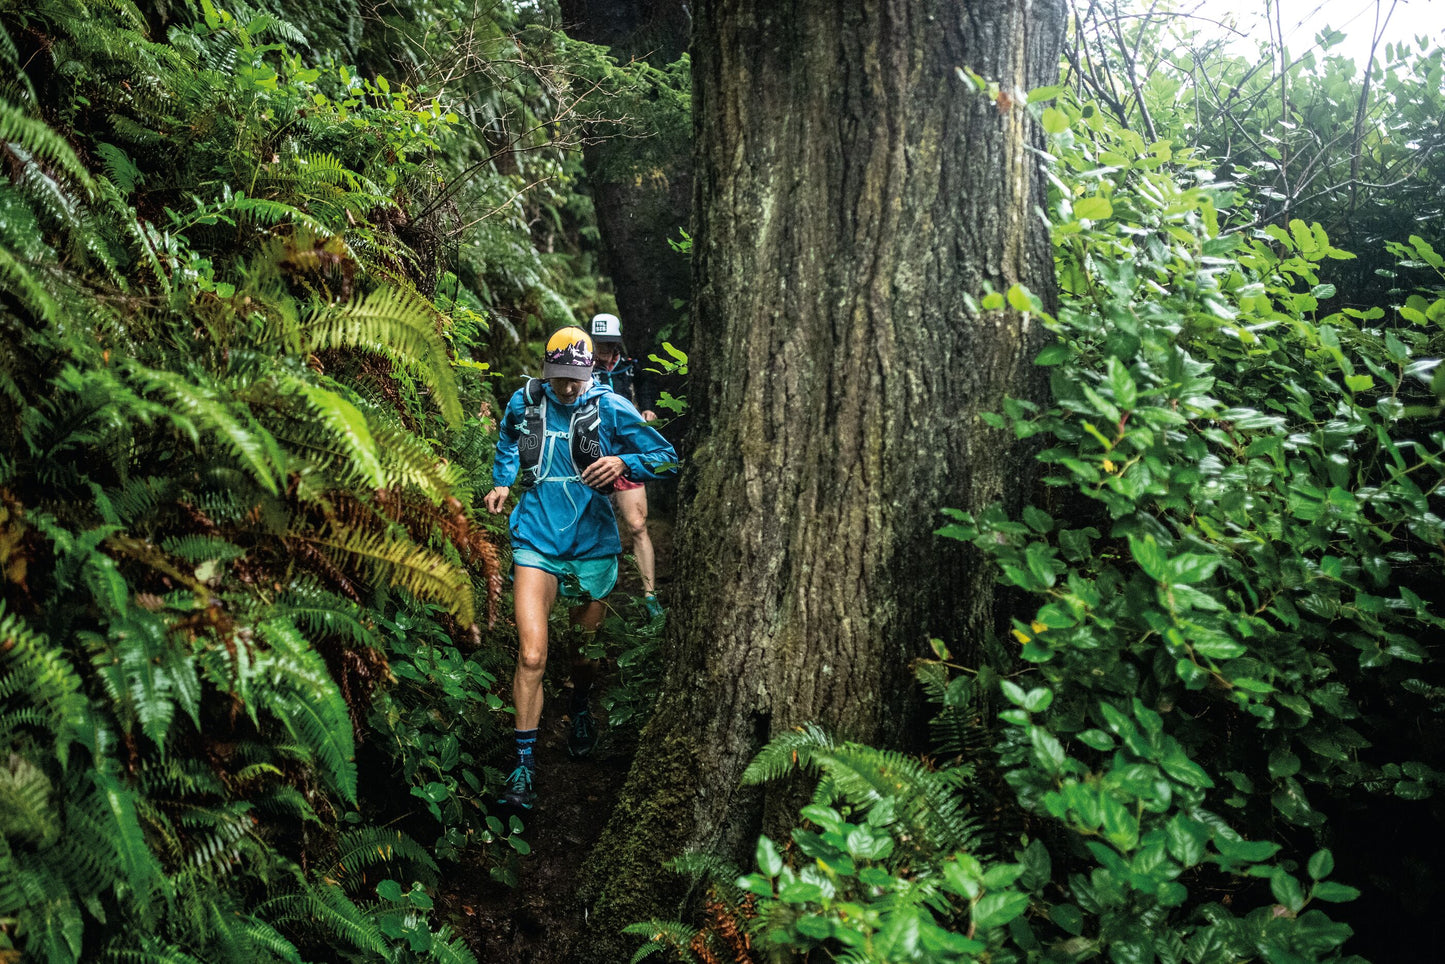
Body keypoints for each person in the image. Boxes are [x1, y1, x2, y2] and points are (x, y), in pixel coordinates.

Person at [483, 325, 677, 810]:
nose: (567, 387)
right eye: (558, 377)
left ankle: (578, 705)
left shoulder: (610, 407)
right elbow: (508, 440)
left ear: (590, 371)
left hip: (592, 545)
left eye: (575, 378)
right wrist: (504, 481)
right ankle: (523, 769)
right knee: (531, 656)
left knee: (583, 657)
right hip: (536, 540)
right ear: (546, 369)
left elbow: (666, 456)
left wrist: (621, 462)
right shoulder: (525, 401)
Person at [588, 312, 664, 620]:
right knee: (591, 527)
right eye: (599, 343)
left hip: (626, 454)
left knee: (637, 525)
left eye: (608, 344)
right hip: (591, 453)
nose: (603, 350)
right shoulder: (583, 369)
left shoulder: (630, 369)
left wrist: (647, 410)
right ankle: (595, 595)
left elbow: (645, 392)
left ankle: (649, 595)